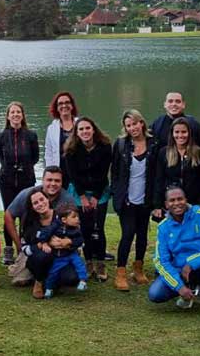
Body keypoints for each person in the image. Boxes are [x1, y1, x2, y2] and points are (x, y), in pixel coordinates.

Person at [149, 186, 200, 321]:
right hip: (180, 272)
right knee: (155, 294)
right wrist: (179, 287)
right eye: (172, 200)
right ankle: (187, 292)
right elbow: (161, 261)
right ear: (166, 205)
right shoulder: (163, 227)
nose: (177, 203)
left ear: (186, 200)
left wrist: (191, 264)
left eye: (180, 199)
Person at [109, 109, 158, 292]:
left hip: (145, 199)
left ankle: (138, 268)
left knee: (143, 235)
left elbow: (157, 173)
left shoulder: (154, 144)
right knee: (128, 234)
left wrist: (155, 201)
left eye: (135, 123)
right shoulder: (121, 144)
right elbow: (114, 172)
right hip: (126, 200)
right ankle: (121, 272)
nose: (132, 128)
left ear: (142, 123)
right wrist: (116, 193)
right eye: (128, 125)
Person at [2, 166, 76, 285]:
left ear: (62, 182)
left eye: (57, 181)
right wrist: (18, 244)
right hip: (33, 245)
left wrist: (67, 241)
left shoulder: (68, 200)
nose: (53, 184)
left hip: (58, 248)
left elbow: (75, 227)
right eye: (49, 180)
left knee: (70, 279)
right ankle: (36, 273)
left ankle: (49, 274)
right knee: (21, 281)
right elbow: (8, 215)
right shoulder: (27, 194)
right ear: (43, 180)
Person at [64, 116, 113, 282]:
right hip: (80, 192)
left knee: (98, 227)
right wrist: (83, 197)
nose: (85, 131)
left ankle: (100, 263)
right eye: (81, 129)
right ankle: (88, 262)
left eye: (87, 128)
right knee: (84, 227)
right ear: (77, 133)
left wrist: (96, 197)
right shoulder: (71, 150)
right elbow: (73, 175)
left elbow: (103, 173)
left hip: (100, 191)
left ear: (93, 130)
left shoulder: (105, 147)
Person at [0, 101, 40, 265]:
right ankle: (8, 248)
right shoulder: (2, 136)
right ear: (8, 116)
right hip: (7, 180)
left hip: (26, 179)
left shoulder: (31, 135)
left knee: (26, 214)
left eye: (18, 112)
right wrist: (11, 169)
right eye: (12, 112)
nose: (15, 115)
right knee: (9, 214)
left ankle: (24, 245)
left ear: (22, 115)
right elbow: (2, 158)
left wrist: (23, 168)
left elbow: (35, 157)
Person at [19, 188, 80, 299]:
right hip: (39, 259)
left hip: (62, 257)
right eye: (35, 203)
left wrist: (68, 242)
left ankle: (50, 280)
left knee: (72, 279)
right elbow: (24, 248)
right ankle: (38, 281)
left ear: (47, 199)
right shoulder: (29, 221)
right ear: (32, 207)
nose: (40, 204)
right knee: (43, 255)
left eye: (42, 199)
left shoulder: (62, 216)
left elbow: (80, 239)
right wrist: (40, 245)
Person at [155, 117, 200, 210]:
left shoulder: (199, 153)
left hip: (193, 203)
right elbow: (159, 179)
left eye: (184, 132)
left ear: (189, 133)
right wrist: (158, 205)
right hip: (171, 202)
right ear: (172, 134)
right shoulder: (164, 153)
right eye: (177, 132)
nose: (180, 135)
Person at [36, 204, 88, 298]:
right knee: (53, 272)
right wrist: (43, 242)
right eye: (74, 217)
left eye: (78, 217)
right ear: (64, 219)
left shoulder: (76, 229)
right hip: (59, 256)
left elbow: (80, 240)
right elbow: (45, 233)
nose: (77, 219)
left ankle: (83, 281)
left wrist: (70, 241)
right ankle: (49, 288)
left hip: (71, 254)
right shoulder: (55, 227)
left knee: (79, 264)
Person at [44, 92, 78, 187]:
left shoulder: (80, 124)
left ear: (72, 106)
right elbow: (49, 153)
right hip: (60, 172)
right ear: (56, 108)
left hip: (79, 172)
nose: (64, 105)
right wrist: (51, 174)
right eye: (60, 103)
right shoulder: (51, 128)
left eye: (67, 102)